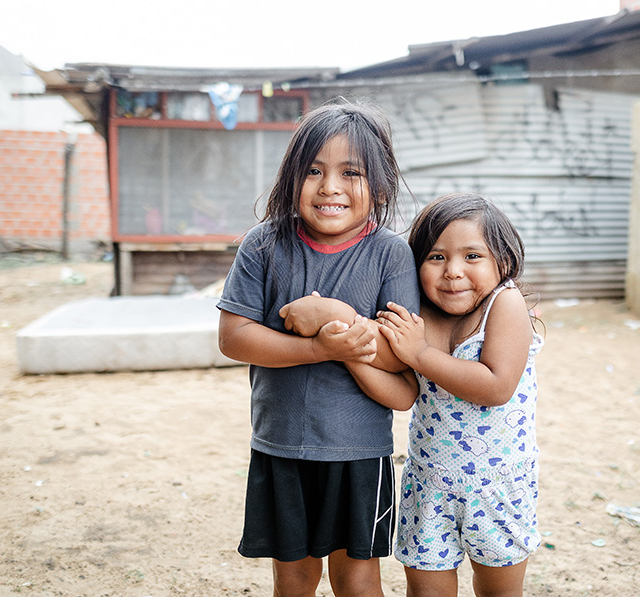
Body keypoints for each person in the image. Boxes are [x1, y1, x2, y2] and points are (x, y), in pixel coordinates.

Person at [216, 101, 421, 597]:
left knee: (356, 576)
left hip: (359, 450)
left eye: (350, 173)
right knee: (295, 574)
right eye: (313, 171)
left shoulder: (390, 253)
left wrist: (337, 316)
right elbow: (234, 337)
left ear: (380, 184)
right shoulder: (265, 245)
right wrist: (319, 349)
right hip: (280, 443)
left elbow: (401, 356)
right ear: (291, 177)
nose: (330, 187)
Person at [379, 192, 544, 597]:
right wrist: (346, 348)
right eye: (436, 257)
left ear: (501, 262)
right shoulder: (419, 316)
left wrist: (418, 353)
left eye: (473, 256)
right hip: (429, 482)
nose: (453, 271)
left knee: (499, 593)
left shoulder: (505, 305)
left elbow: (495, 386)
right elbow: (403, 390)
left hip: (497, 487)